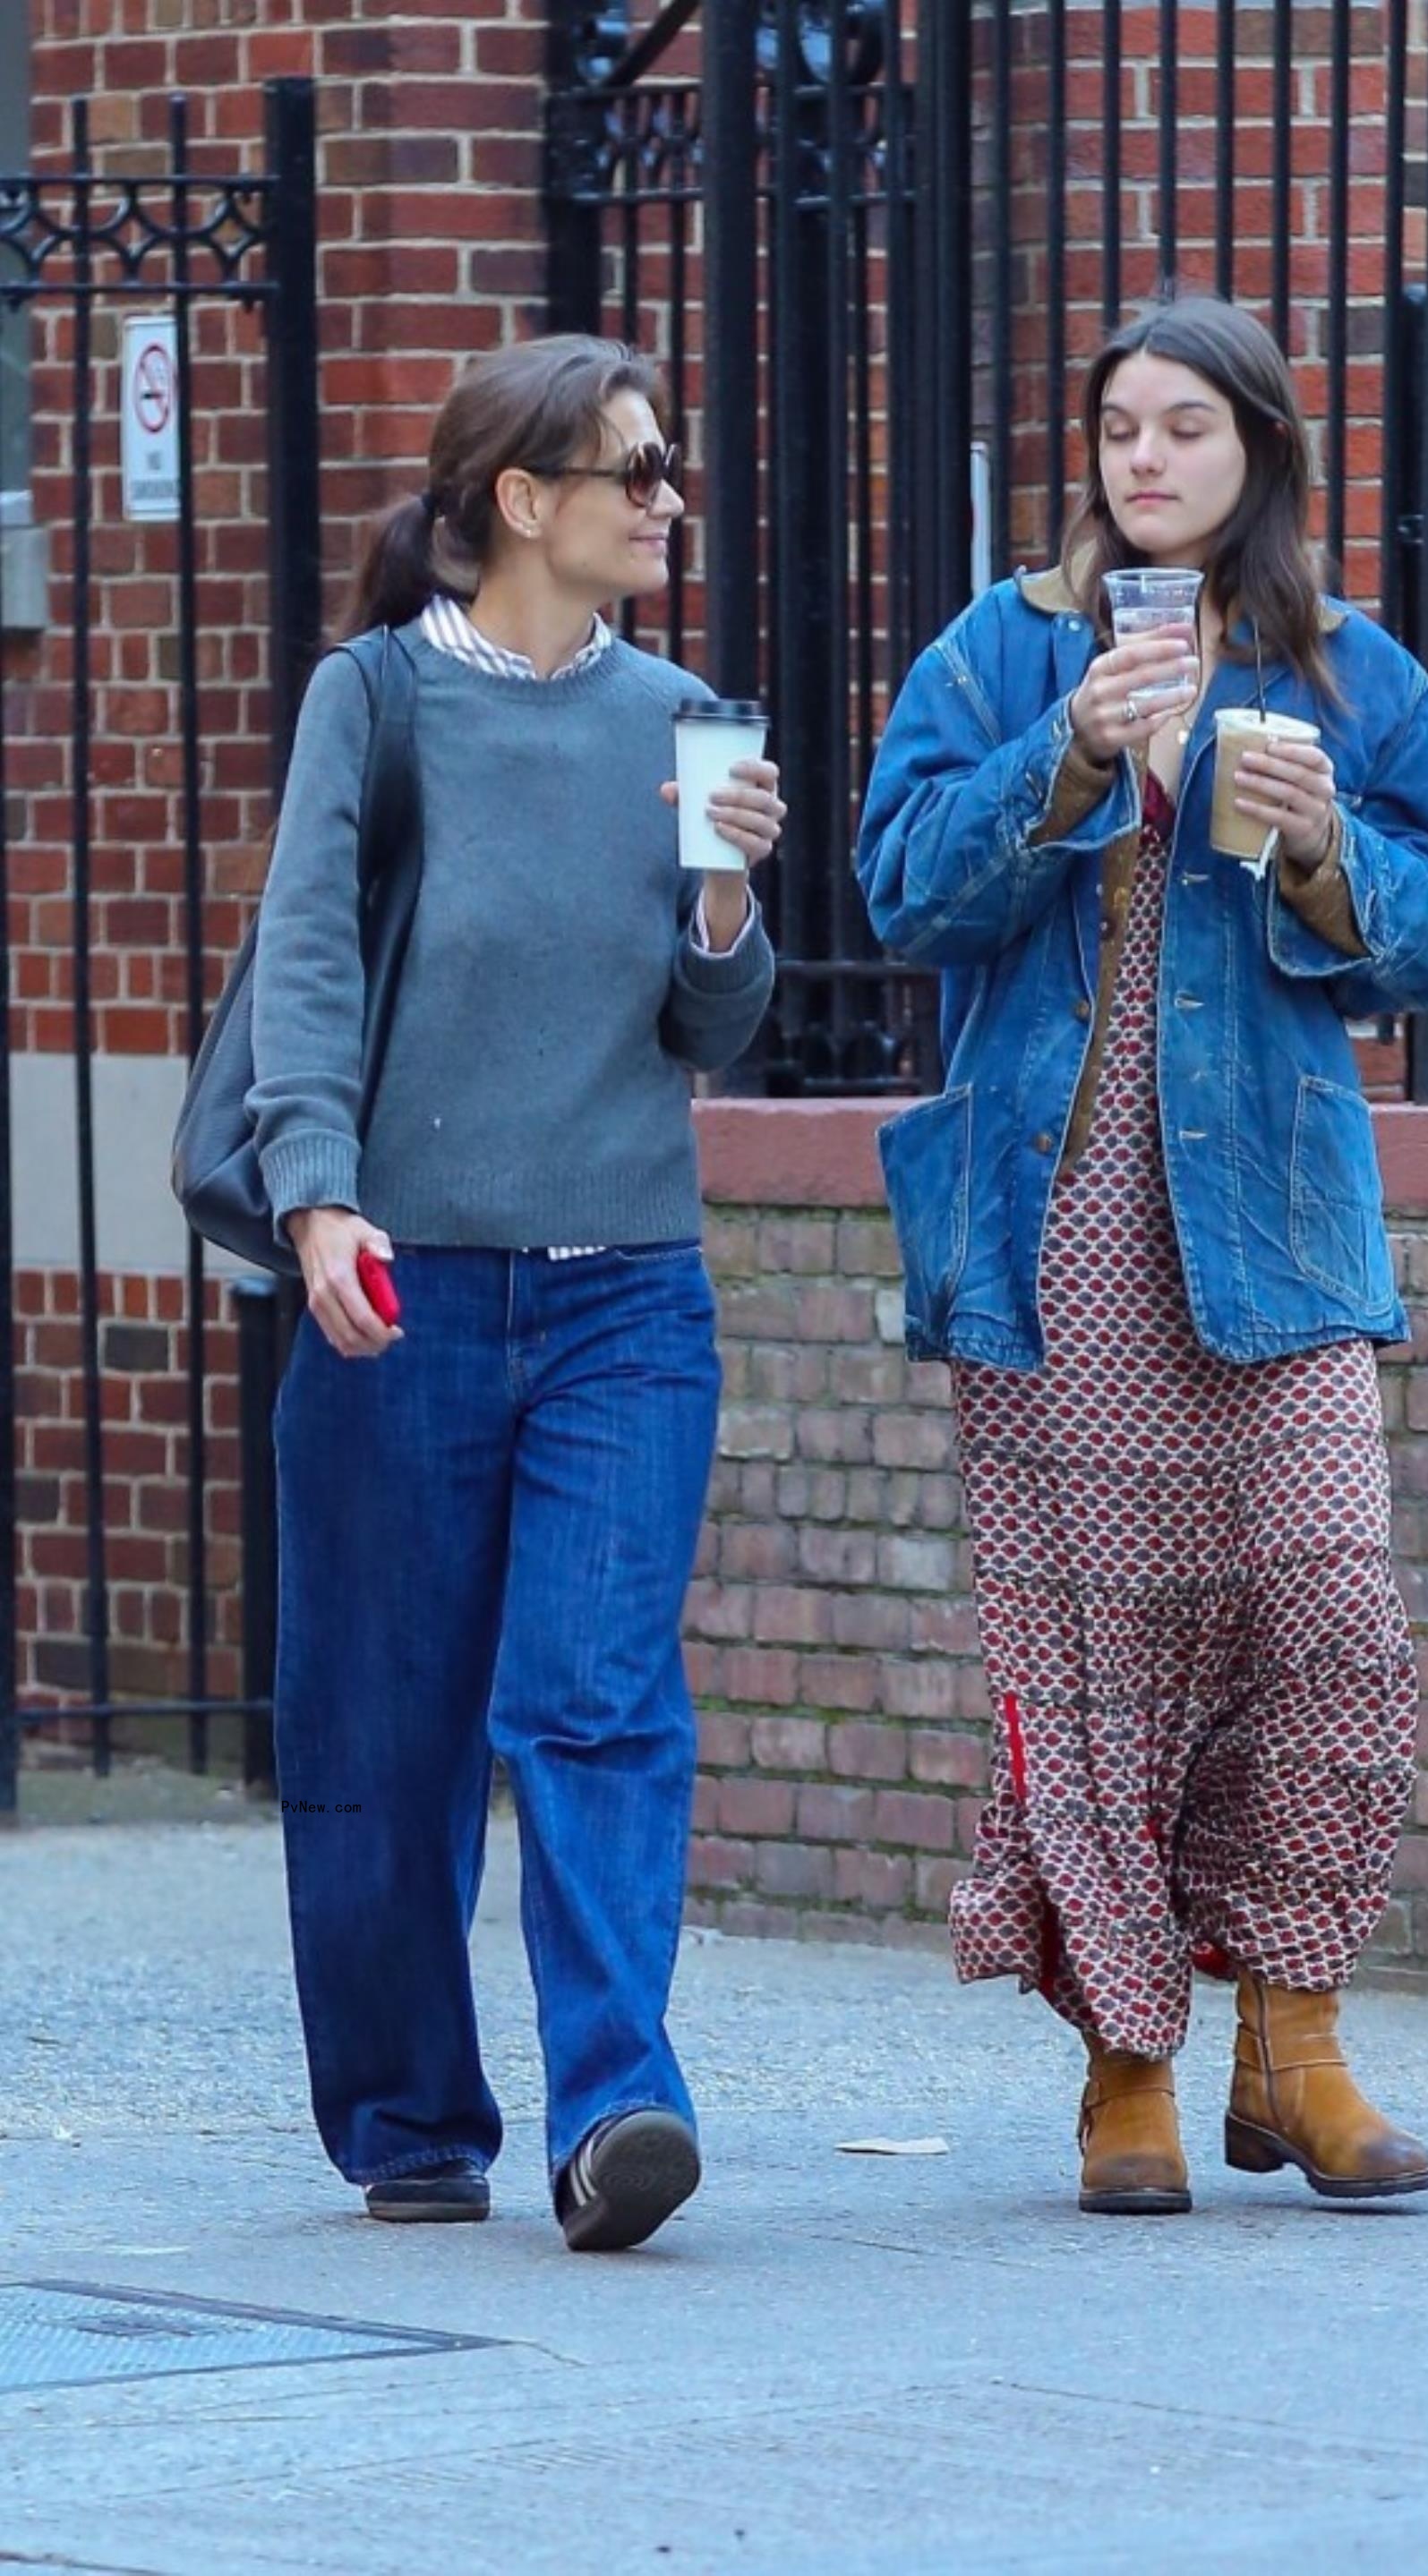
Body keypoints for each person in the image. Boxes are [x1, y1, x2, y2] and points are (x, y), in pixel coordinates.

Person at [855, 293, 1428, 2216]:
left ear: (1261, 453)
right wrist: (1062, 758)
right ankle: (1128, 2060)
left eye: (1186, 427)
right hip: (1058, 1226)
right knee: (1102, 1638)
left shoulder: (1350, 670)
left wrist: (1319, 854)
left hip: (1272, 1219)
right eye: (1121, 426)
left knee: (1332, 1608)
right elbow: (898, 887)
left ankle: (1299, 2038)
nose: (1146, 459)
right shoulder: (1004, 645)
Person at [250, 335, 782, 2252]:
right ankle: (409, 2113)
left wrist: (724, 896)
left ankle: (618, 2103)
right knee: (385, 1731)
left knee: (596, 1700)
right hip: (404, 1275)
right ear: (521, 504)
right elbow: (309, 962)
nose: (665, 501)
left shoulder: (690, 714)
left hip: (628, 1286)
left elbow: (713, 1020)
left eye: (670, 467)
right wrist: (317, 1204)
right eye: (631, 471)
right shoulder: (376, 703)